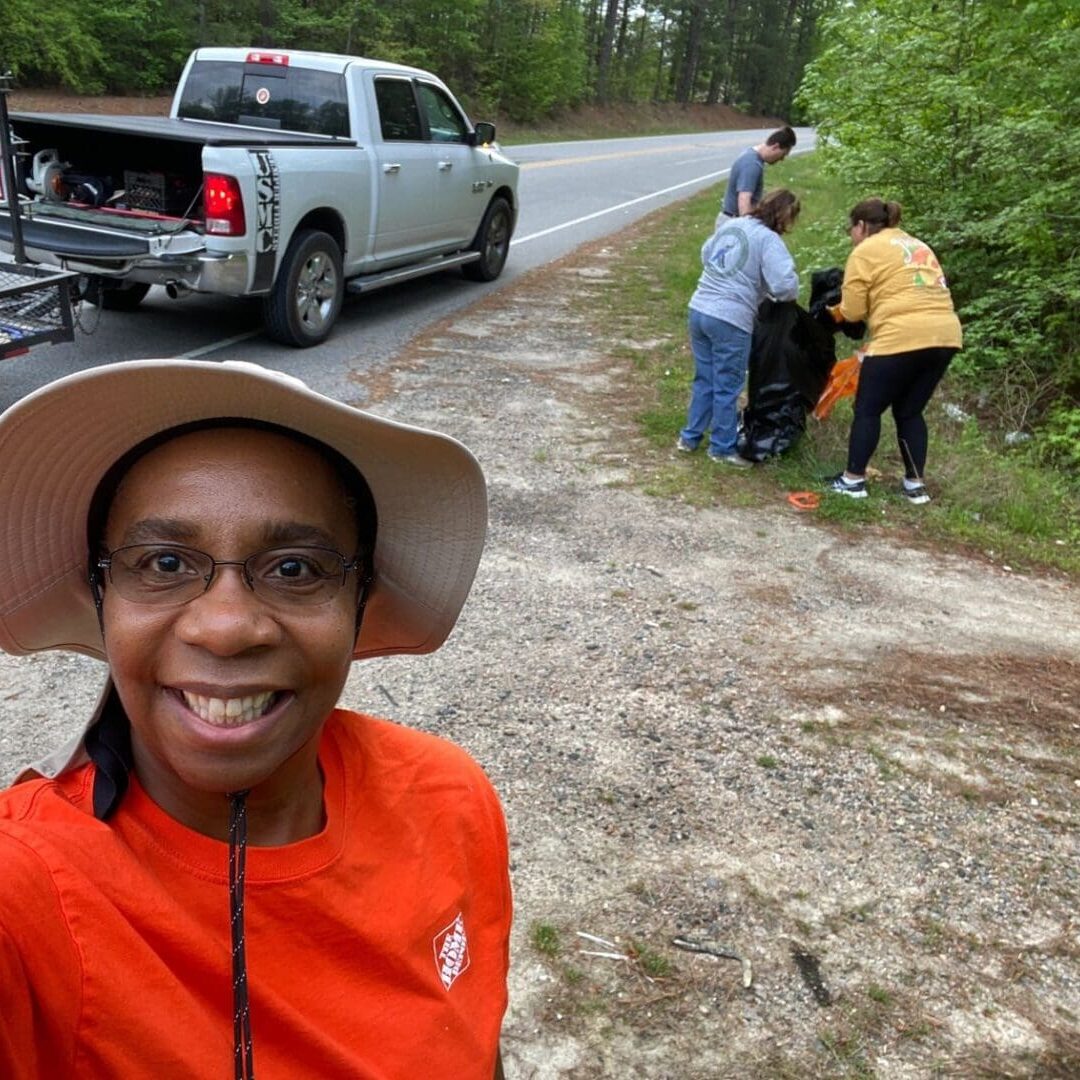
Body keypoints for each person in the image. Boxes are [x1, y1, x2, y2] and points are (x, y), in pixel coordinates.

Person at [0, 359, 511, 1079]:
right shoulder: (26, 893)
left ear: (360, 598)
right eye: (166, 561)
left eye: (295, 568)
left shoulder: (448, 796)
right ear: (101, 594)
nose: (227, 628)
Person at [824, 197, 963, 503]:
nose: (851, 235)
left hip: (902, 334)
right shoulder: (917, 244)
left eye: (852, 229)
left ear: (861, 226)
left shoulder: (865, 251)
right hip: (946, 334)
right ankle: (915, 487)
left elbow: (854, 311)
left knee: (868, 409)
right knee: (910, 411)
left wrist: (834, 310)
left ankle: (853, 481)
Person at [677, 188, 801, 467]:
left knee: (704, 378)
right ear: (785, 217)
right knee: (727, 384)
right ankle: (721, 448)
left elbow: (706, 253)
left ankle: (690, 437)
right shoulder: (768, 240)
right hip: (730, 318)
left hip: (699, 307)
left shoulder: (733, 224)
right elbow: (784, 284)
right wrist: (781, 293)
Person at [718, 126, 797, 220]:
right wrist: (749, 228)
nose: (782, 159)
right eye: (783, 154)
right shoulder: (752, 164)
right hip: (734, 221)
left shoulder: (751, 156)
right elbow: (744, 202)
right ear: (775, 147)